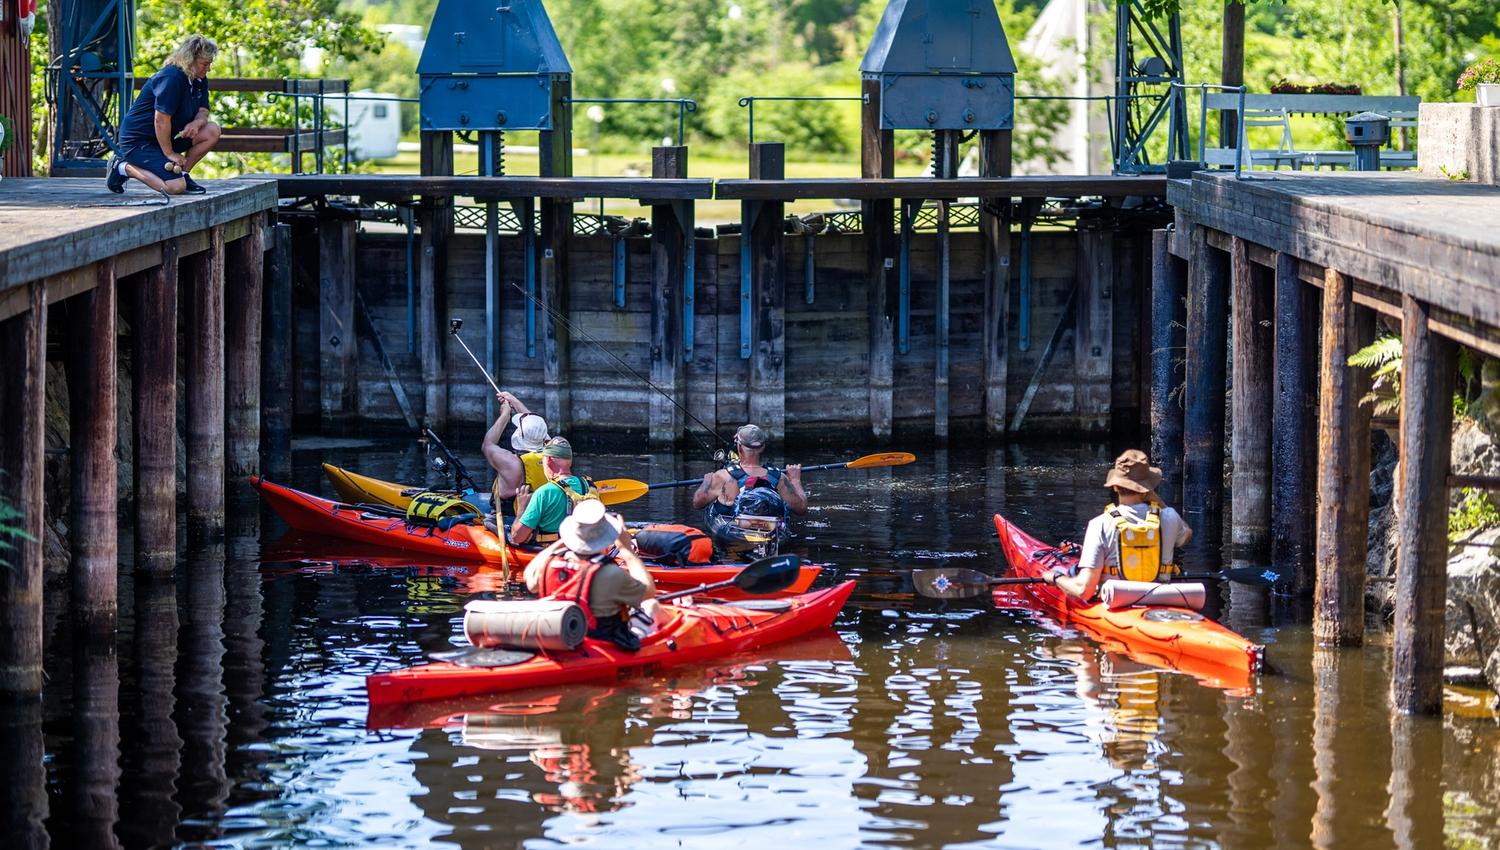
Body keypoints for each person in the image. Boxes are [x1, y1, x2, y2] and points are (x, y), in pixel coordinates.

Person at [1044, 450, 1192, 602]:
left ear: (1114, 486)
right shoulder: (1170, 516)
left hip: (1115, 603)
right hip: (1161, 600)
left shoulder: (1099, 523)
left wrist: (1056, 577)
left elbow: (1084, 591)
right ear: (1147, 487)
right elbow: (1186, 535)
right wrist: (1157, 500)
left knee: (1072, 573)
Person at [524, 500, 658, 651]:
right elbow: (649, 591)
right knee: (652, 605)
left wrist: (566, 540)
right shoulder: (611, 574)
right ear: (606, 535)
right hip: (600, 644)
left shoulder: (548, 564)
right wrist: (626, 549)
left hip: (558, 638)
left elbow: (529, 580)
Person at [109, 35, 222, 197]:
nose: (208, 69)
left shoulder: (198, 79)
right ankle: (121, 167)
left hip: (163, 139)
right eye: (205, 64)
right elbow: (161, 120)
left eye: (210, 64)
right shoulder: (172, 78)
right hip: (139, 143)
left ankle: (182, 173)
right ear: (190, 59)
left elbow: (203, 111)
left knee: (212, 130)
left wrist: (196, 123)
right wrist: (169, 153)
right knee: (175, 187)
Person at [691, 424, 807, 526]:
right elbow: (801, 508)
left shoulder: (723, 476)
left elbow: (698, 503)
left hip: (735, 534)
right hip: (769, 529)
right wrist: (795, 480)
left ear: (739, 447)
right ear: (762, 447)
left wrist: (707, 481)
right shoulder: (779, 477)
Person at [510, 437, 597, 546]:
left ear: (548, 460)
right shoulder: (589, 486)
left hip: (552, 552)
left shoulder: (544, 492)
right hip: (584, 546)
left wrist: (521, 509)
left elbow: (517, 538)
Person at [481, 390, 550, 517]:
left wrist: (505, 415)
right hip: (538, 512)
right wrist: (513, 400)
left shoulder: (510, 462)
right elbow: (535, 426)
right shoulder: (551, 456)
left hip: (511, 514)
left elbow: (487, 444)